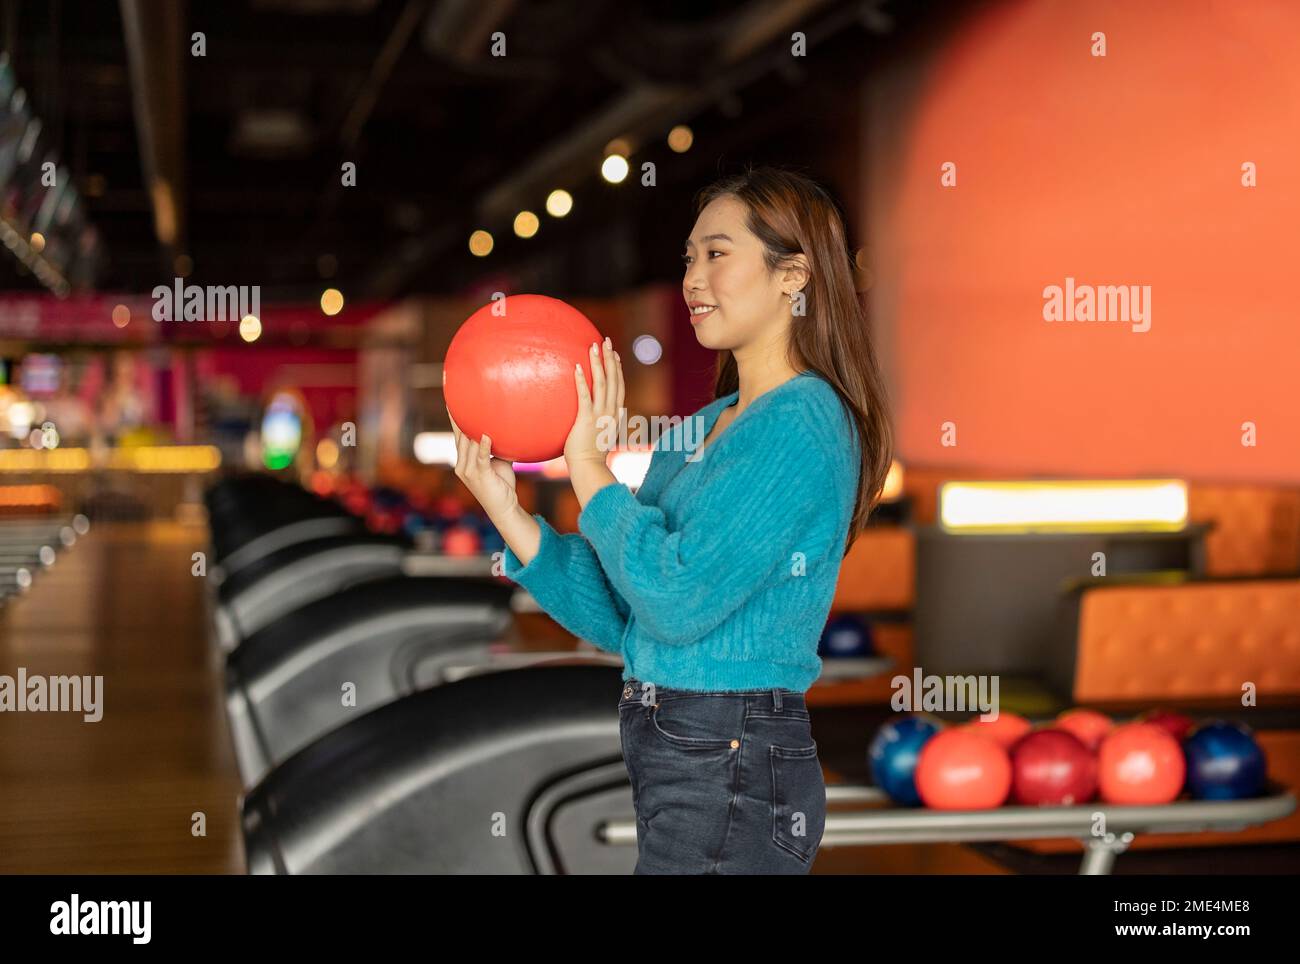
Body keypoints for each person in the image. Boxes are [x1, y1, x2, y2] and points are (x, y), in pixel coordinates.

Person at [449, 165, 893, 873]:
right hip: (687, 751)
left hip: (735, 760)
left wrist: (589, 466)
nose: (692, 278)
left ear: (794, 275)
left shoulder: (805, 422)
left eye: (717, 253)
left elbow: (678, 599)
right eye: (689, 257)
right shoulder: (702, 427)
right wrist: (507, 509)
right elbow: (633, 614)